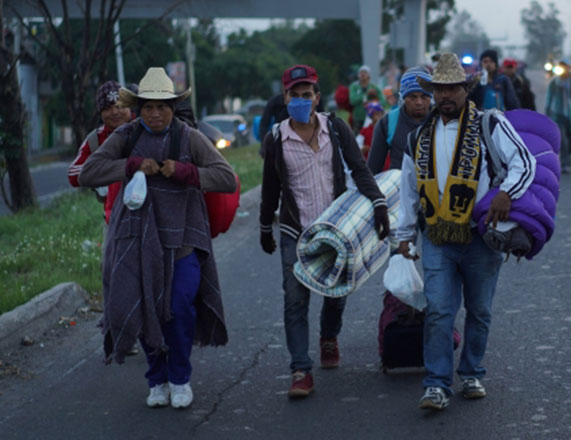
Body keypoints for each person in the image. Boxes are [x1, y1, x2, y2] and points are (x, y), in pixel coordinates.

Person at [79, 67, 237, 409]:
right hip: (135, 239)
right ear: (138, 108)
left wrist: (185, 172)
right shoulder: (127, 136)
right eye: (148, 106)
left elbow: (227, 178)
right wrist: (132, 164)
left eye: (162, 106)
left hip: (182, 241)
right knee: (143, 307)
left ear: (173, 107)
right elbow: (89, 171)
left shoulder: (189, 137)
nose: (155, 113)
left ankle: (180, 377)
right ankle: (157, 379)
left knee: (178, 306)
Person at [396, 53, 536, 410]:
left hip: (480, 235)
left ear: (465, 90)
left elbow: (525, 161)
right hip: (436, 237)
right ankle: (437, 383)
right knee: (439, 309)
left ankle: (472, 372)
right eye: (439, 89)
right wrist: (404, 236)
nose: (445, 96)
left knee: (479, 310)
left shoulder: (490, 124)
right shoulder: (418, 139)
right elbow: (409, 190)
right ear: (431, 93)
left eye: (452, 88)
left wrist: (507, 193)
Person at [259, 64, 390, 398]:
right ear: (285, 98)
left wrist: (377, 202)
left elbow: (359, 169)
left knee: (337, 291)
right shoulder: (276, 138)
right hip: (294, 229)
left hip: (334, 226)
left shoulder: (335, 128)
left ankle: (329, 336)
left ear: (317, 97)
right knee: (295, 299)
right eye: (295, 95)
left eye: (307, 95)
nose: (301, 100)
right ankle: (301, 369)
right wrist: (264, 227)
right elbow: (270, 187)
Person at [68, 80, 133, 224]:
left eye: (120, 105)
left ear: (130, 107)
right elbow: (72, 174)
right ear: (100, 113)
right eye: (108, 108)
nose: (115, 112)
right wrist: (110, 168)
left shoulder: (144, 127)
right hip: (114, 221)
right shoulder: (95, 139)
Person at [366, 66, 433, 174]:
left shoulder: (441, 120)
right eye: (413, 97)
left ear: (431, 97)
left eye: (424, 96)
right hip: (399, 185)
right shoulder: (388, 123)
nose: (419, 102)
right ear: (403, 98)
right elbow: (373, 168)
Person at [348, 65, 386, 132]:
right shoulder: (354, 86)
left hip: (372, 119)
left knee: (371, 137)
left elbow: (383, 102)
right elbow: (352, 100)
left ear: (369, 75)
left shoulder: (374, 87)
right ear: (358, 75)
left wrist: (373, 102)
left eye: (365, 72)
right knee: (357, 139)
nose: (363, 74)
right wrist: (365, 95)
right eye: (361, 72)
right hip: (359, 118)